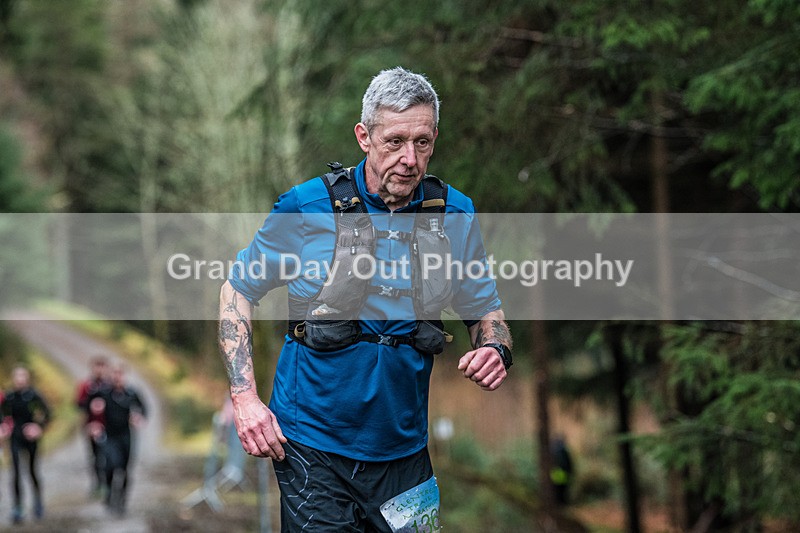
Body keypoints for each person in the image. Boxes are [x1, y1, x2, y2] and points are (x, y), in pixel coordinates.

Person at [219, 66, 513, 532]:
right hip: (312, 447)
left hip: (405, 452)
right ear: (364, 136)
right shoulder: (305, 206)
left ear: (435, 138)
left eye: (422, 142)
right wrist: (244, 397)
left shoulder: (454, 213)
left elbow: (484, 309)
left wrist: (495, 349)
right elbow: (237, 291)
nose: (409, 159)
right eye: (394, 141)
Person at [88, 364, 146, 516]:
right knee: (111, 466)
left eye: (120, 374)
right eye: (114, 374)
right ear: (111, 376)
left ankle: (122, 500)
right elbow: (89, 407)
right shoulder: (104, 393)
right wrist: (94, 424)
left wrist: (139, 417)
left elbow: (143, 408)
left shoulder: (131, 393)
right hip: (109, 436)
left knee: (125, 469)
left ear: (125, 376)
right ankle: (108, 495)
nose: (117, 377)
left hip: (126, 436)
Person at [1, 366, 51, 523]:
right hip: (15, 437)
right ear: (14, 379)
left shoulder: (34, 395)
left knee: (32, 470)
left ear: (27, 378)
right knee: (15, 472)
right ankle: (18, 506)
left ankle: (38, 502)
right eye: (17, 377)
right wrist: (3, 427)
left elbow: (47, 413)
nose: (20, 380)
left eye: (23, 376)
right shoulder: (9, 397)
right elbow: (2, 414)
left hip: (31, 439)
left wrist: (38, 427)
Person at [76, 355, 111, 497]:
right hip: (91, 426)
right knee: (95, 456)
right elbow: (78, 404)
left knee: (108, 456)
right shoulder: (86, 386)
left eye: (102, 367)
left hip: (108, 427)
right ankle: (97, 483)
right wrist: (89, 406)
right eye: (97, 367)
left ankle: (107, 483)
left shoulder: (109, 386)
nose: (99, 370)